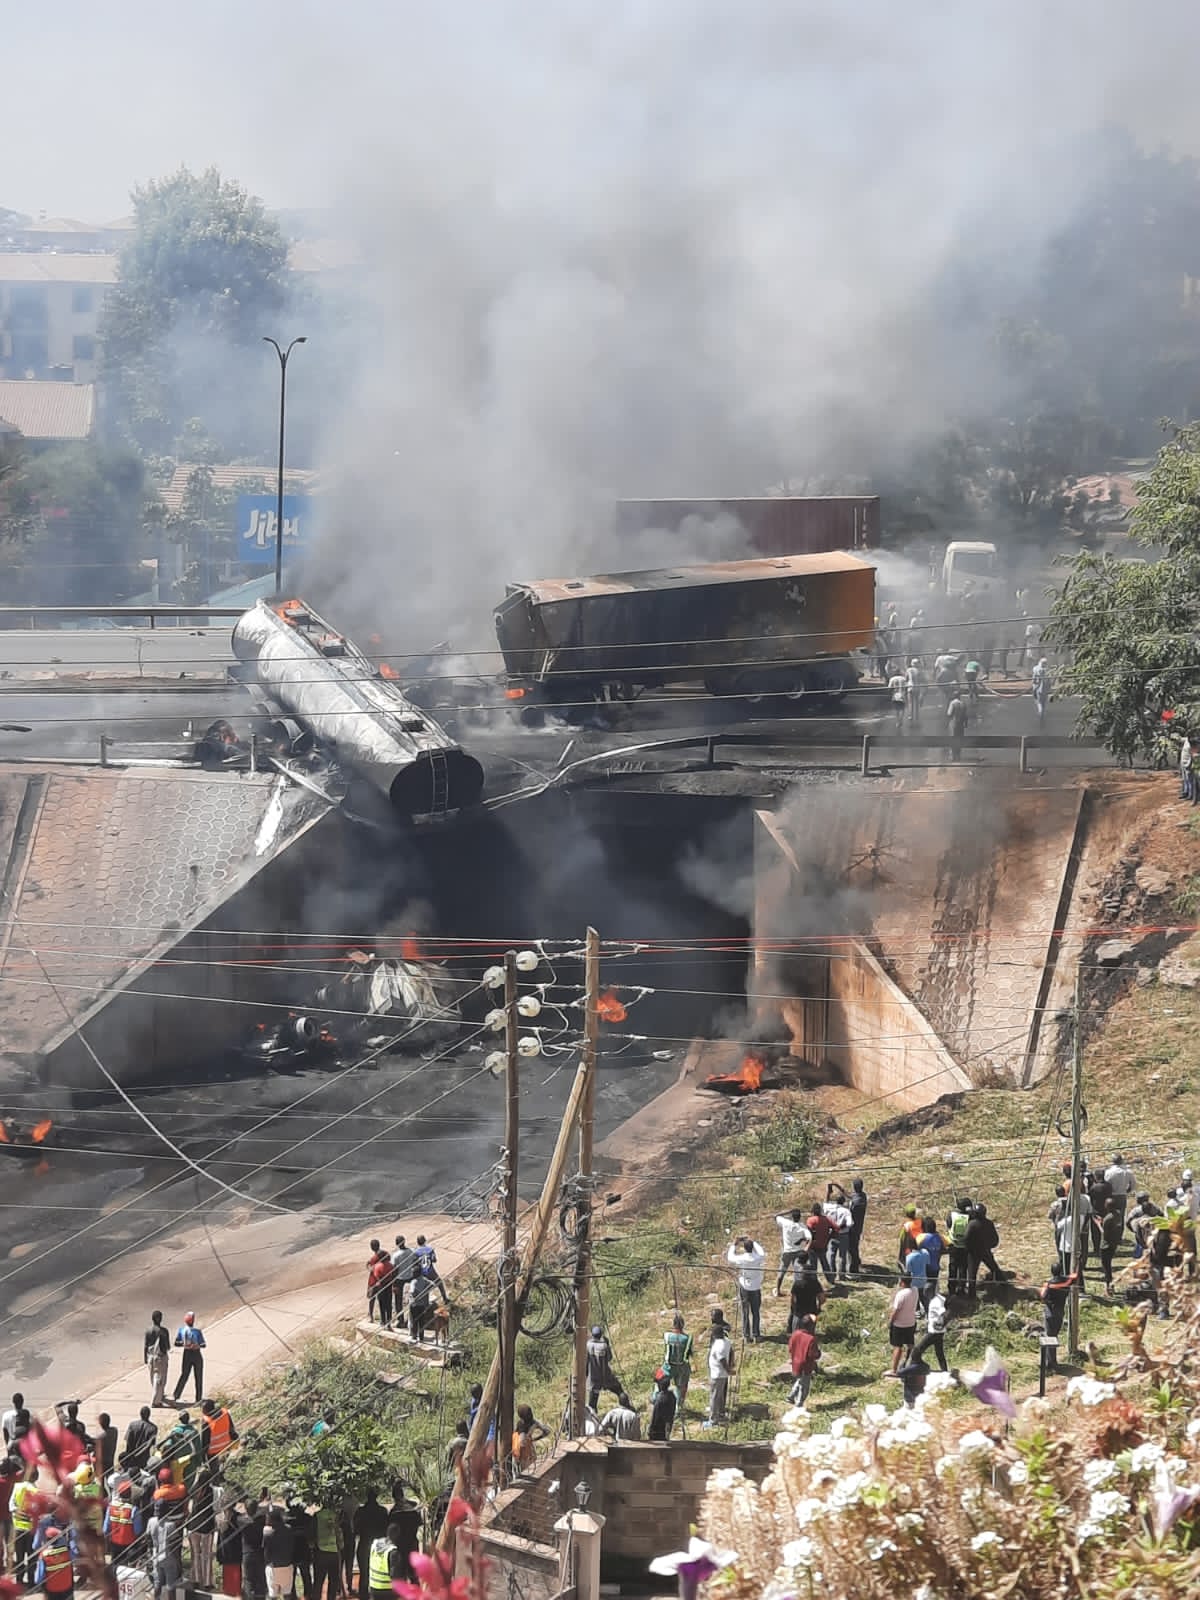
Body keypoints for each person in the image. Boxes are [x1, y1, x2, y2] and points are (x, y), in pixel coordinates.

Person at [726, 1236, 766, 1343]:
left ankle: (746, 1335)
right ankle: (756, 1334)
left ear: (744, 1248)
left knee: (745, 1311)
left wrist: (734, 1245)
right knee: (756, 1311)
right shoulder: (758, 1257)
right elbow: (761, 1251)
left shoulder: (742, 1258)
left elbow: (730, 1257)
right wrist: (753, 1241)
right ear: (752, 1247)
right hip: (756, 1286)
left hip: (745, 1286)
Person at [1039, 1263, 1077, 1369]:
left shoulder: (1049, 1284)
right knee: (1054, 1336)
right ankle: (1053, 1361)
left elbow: (1042, 1296)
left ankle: (1050, 1363)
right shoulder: (1066, 1282)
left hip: (1050, 1313)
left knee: (1049, 1337)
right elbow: (1074, 1277)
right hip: (1060, 1312)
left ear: (1052, 1272)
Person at [353, 1489, 388, 1597]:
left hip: (364, 1545)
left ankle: (364, 1595)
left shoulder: (360, 1511)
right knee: (380, 1574)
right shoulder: (382, 1511)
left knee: (364, 1574)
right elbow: (386, 1530)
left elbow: (355, 1530)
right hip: (379, 1547)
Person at [11, 1465, 39, 1587]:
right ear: (36, 1477)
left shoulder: (17, 1487)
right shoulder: (36, 1491)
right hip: (31, 1530)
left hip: (18, 1528)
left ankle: (19, 1581)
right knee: (32, 1557)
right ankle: (31, 1582)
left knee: (20, 1557)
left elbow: (11, 1505)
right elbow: (37, 1511)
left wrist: (18, 1512)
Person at [966, 1203, 1002, 1296]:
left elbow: (966, 1238)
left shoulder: (972, 1224)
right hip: (985, 1250)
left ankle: (971, 1295)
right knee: (994, 1267)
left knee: (972, 1274)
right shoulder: (989, 1223)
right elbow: (995, 1239)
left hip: (974, 1252)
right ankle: (1004, 1284)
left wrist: (968, 1248)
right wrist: (988, 1246)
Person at [103, 1480, 143, 1562]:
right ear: (130, 1494)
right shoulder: (133, 1509)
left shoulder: (110, 1507)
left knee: (115, 1565)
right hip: (130, 1546)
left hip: (114, 1544)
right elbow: (137, 1531)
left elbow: (105, 1529)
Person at [787, 1315, 821, 1407]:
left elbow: (790, 1348)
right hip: (806, 1366)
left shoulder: (795, 1334)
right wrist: (818, 1353)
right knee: (804, 1386)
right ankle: (799, 1404)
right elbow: (812, 1354)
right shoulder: (811, 1339)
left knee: (800, 1380)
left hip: (795, 1362)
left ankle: (791, 1396)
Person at [704, 1319, 733, 1428]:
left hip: (717, 1375)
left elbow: (722, 1360)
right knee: (719, 1396)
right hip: (722, 1374)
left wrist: (729, 1370)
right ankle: (721, 1414)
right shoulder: (727, 1341)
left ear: (715, 1334)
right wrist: (731, 1366)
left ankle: (713, 1420)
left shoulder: (719, 1346)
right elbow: (731, 1353)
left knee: (714, 1397)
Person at [189, 1474, 216, 1590]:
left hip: (194, 1524)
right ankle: (207, 1582)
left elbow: (190, 1493)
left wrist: (196, 1478)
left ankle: (195, 1579)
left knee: (195, 1553)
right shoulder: (210, 1491)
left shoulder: (194, 1489)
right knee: (207, 1554)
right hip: (207, 1525)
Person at [888, 1272, 919, 1376]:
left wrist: (890, 1322)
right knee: (910, 1344)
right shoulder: (915, 1290)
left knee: (898, 1346)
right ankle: (911, 1363)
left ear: (901, 1282)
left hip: (899, 1325)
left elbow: (896, 1311)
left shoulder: (901, 1294)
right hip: (911, 1322)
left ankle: (894, 1370)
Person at [149, 1510, 184, 1600]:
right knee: (171, 1586)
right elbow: (174, 1545)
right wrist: (178, 1562)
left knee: (157, 1583)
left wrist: (151, 1554)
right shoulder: (170, 1525)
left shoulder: (151, 1521)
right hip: (168, 1557)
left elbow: (148, 1538)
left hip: (156, 1557)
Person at [774, 1210, 811, 1295]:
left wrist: (788, 1211)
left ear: (792, 1216)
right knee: (798, 1272)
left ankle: (778, 1290)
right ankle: (798, 1290)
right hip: (798, 1252)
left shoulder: (785, 1223)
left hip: (787, 1252)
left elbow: (775, 1216)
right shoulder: (802, 1226)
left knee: (782, 1271)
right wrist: (804, 1246)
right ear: (800, 1217)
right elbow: (809, 1238)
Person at [35, 1523, 76, 1600]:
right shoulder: (67, 1551)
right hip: (67, 1588)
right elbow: (75, 1557)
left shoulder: (44, 1555)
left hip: (51, 1591)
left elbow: (38, 1578)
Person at [911, 1288, 949, 1371]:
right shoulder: (939, 1298)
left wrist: (940, 1324)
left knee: (916, 1352)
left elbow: (944, 1314)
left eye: (926, 1292)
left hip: (934, 1332)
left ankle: (917, 1369)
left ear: (930, 1292)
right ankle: (945, 1371)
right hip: (939, 1331)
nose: (925, 1295)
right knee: (939, 1353)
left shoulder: (936, 1302)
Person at [789, 1249, 825, 1331]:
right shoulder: (815, 1284)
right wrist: (819, 1307)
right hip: (811, 1313)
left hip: (799, 1313)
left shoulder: (797, 1284)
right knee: (809, 1333)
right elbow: (822, 1299)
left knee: (796, 1333)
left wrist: (794, 1308)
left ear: (802, 1273)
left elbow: (792, 1299)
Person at [311, 1503, 342, 1600]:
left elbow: (313, 1533)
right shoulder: (335, 1515)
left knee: (318, 1581)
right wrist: (340, 1546)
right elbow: (338, 1532)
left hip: (320, 1551)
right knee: (333, 1581)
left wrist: (312, 1546)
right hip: (334, 1551)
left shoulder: (317, 1515)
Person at [173, 1312, 206, 1404]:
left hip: (187, 1354)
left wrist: (184, 1344)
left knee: (184, 1375)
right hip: (196, 1354)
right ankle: (198, 1398)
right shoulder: (197, 1332)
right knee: (198, 1376)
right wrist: (197, 1345)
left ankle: (176, 1394)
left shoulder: (181, 1330)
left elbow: (176, 1343)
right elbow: (203, 1344)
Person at [585, 1327, 621, 1411]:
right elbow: (609, 1358)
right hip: (605, 1375)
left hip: (593, 1378)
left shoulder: (588, 1345)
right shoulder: (604, 1346)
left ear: (592, 1335)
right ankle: (626, 1405)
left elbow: (585, 1360)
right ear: (600, 1335)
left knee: (592, 1403)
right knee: (619, 1390)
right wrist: (607, 1344)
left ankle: (593, 1415)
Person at [662, 1314, 694, 1408]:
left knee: (659, 1380)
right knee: (681, 1387)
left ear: (673, 1324)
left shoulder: (667, 1335)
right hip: (681, 1366)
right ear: (683, 1325)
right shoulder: (687, 1338)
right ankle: (678, 1406)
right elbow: (689, 1352)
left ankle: (657, 1398)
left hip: (668, 1365)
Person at [216, 1497, 245, 1600]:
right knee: (230, 1573)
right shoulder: (235, 1517)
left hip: (232, 1550)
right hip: (229, 1550)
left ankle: (233, 1594)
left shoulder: (235, 1517)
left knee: (233, 1573)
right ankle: (231, 1593)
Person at [367, 1523, 405, 1600]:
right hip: (387, 1590)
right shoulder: (393, 1552)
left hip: (373, 1587)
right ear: (397, 1535)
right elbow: (394, 1574)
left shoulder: (375, 1544)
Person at [239, 1499, 268, 1600]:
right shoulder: (262, 1520)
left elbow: (242, 1516)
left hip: (247, 1553)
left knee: (248, 1579)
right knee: (260, 1577)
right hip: (259, 1553)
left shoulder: (242, 1520)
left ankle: (249, 1597)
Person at [263, 1508, 295, 1600]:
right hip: (287, 1566)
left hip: (273, 1568)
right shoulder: (289, 1529)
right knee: (287, 1594)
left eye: (267, 1518)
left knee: (272, 1595)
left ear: (272, 1520)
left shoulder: (268, 1533)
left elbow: (266, 1553)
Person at [823, 1195, 853, 1280]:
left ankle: (832, 1274)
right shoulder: (846, 1211)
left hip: (832, 1234)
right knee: (842, 1255)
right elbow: (850, 1223)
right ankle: (841, 1275)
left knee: (831, 1254)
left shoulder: (829, 1209)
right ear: (843, 1202)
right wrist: (840, 1227)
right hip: (843, 1235)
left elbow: (825, 1203)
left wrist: (828, 1193)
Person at [121, 1406, 158, 1475]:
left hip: (131, 1456)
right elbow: (149, 1445)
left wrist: (129, 1455)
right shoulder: (153, 1428)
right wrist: (138, 1454)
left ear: (140, 1414)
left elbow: (128, 1441)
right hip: (144, 1458)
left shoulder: (132, 1424)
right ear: (149, 1415)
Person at [145, 1310, 170, 1408]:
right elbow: (167, 1346)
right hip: (160, 1358)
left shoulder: (148, 1331)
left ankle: (158, 1395)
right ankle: (156, 1401)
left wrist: (145, 1358)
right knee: (160, 1379)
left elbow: (145, 1346)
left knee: (153, 1377)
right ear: (160, 1319)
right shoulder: (164, 1331)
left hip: (150, 1357)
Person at [511, 1406, 547, 1475]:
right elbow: (547, 1431)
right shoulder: (535, 1422)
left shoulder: (520, 1424)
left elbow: (521, 1443)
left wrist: (518, 1459)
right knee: (533, 1472)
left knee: (523, 1475)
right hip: (531, 1451)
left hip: (522, 1454)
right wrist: (535, 1439)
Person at [391, 1237, 417, 1331]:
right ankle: (412, 1318)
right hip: (410, 1276)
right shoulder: (411, 1251)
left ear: (396, 1244)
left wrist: (393, 1282)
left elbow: (394, 1269)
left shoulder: (396, 1255)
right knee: (412, 1298)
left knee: (398, 1301)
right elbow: (415, 1261)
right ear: (404, 1242)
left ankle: (400, 1320)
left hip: (400, 1278)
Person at [1128, 1192, 1163, 1260]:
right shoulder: (1155, 1207)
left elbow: (1128, 1221)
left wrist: (1133, 1229)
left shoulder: (1136, 1210)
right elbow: (1162, 1216)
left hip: (1142, 1235)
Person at [1099, 1199, 1123, 1295]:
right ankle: (1110, 1285)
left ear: (1107, 1206)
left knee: (1106, 1267)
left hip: (1106, 1245)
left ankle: (1109, 1286)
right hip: (1114, 1243)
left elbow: (1105, 1234)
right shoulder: (1118, 1214)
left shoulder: (1108, 1218)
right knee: (1108, 1265)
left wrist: (1099, 1225)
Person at [366, 1241, 392, 1327]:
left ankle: (371, 1316)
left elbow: (369, 1266)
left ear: (372, 1247)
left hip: (374, 1280)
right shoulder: (385, 1254)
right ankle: (386, 1320)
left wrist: (370, 1267)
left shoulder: (374, 1258)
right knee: (386, 1302)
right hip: (385, 1281)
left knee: (372, 1298)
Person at [1104, 1154, 1134, 1228]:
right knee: (1121, 1215)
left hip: (1111, 1196)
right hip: (1122, 1195)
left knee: (1110, 1214)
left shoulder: (1108, 1172)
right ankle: (1119, 1231)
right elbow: (1133, 1184)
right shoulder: (1127, 1171)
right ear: (1121, 1161)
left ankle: (1110, 1230)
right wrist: (1127, 1191)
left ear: (1112, 1161)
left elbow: (1105, 1184)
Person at [648, 1375, 677, 1442]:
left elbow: (655, 1415)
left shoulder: (660, 1399)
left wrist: (651, 1430)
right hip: (668, 1425)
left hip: (658, 1429)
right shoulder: (672, 1396)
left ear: (661, 1386)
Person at [848, 1178, 868, 1276]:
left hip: (853, 1226)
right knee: (855, 1244)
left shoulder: (857, 1202)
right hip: (859, 1225)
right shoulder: (863, 1195)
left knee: (852, 1247)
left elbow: (850, 1212)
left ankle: (854, 1267)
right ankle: (857, 1260)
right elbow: (851, 1196)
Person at [94, 1411, 118, 1479]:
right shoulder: (114, 1431)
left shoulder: (100, 1438)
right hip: (110, 1461)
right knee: (110, 1479)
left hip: (102, 1463)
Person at [946, 693, 968, 761]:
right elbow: (966, 715)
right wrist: (966, 724)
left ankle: (953, 756)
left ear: (953, 696)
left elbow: (949, 713)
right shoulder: (963, 704)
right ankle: (958, 755)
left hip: (953, 724)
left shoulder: (952, 703)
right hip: (961, 724)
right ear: (959, 696)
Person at [904, 658, 923, 726]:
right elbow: (922, 680)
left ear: (912, 663)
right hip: (917, 688)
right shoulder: (919, 670)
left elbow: (906, 678)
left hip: (910, 687)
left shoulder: (908, 670)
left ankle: (910, 716)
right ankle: (917, 715)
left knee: (910, 703)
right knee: (916, 703)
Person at [1032, 657, 1051, 723]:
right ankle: (1042, 713)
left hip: (1038, 688)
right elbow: (1050, 681)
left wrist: (1034, 686)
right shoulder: (1048, 670)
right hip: (1045, 689)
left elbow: (1034, 679)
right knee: (1043, 703)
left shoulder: (1036, 669)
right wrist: (1049, 688)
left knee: (1039, 702)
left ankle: (1040, 713)